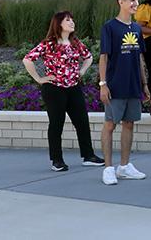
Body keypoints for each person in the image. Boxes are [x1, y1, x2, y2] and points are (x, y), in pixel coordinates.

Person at [22, 11, 105, 172]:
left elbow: (88, 57)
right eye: (68, 20)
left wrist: (81, 72)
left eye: (72, 19)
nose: (72, 22)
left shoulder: (75, 42)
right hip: (54, 89)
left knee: (82, 121)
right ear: (58, 24)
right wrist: (39, 79)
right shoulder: (49, 43)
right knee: (56, 124)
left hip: (73, 87)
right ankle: (57, 160)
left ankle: (88, 156)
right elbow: (27, 59)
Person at [98, 0, 149, 185]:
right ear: (121, 2)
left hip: (134, 85)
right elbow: (103, 57)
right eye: (131, 0)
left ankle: (125, 166)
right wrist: (103, 84)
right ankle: (108, 168)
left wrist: (144, 84)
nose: (135, 4)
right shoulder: (110, 27)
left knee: (129, 123)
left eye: (136, 0)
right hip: (115, 85)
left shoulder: (136, 28)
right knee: (110, 125)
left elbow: (140, 59)